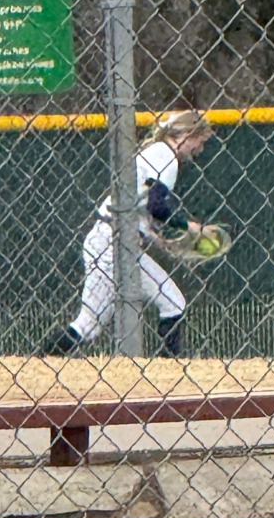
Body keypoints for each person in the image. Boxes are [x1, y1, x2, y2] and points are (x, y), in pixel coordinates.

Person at [49, 110, 214, 357]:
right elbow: (156, 206)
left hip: (112, 238)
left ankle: (169, 371)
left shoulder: (158, 151)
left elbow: (137, 206)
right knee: (89, 324)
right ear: (188, 134)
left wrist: (158, 240)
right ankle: (44, 360)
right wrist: (191, 227)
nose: (200, 148)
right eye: (200, 141)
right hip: (111, 244)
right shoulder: (167, 157)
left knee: (172, 304)